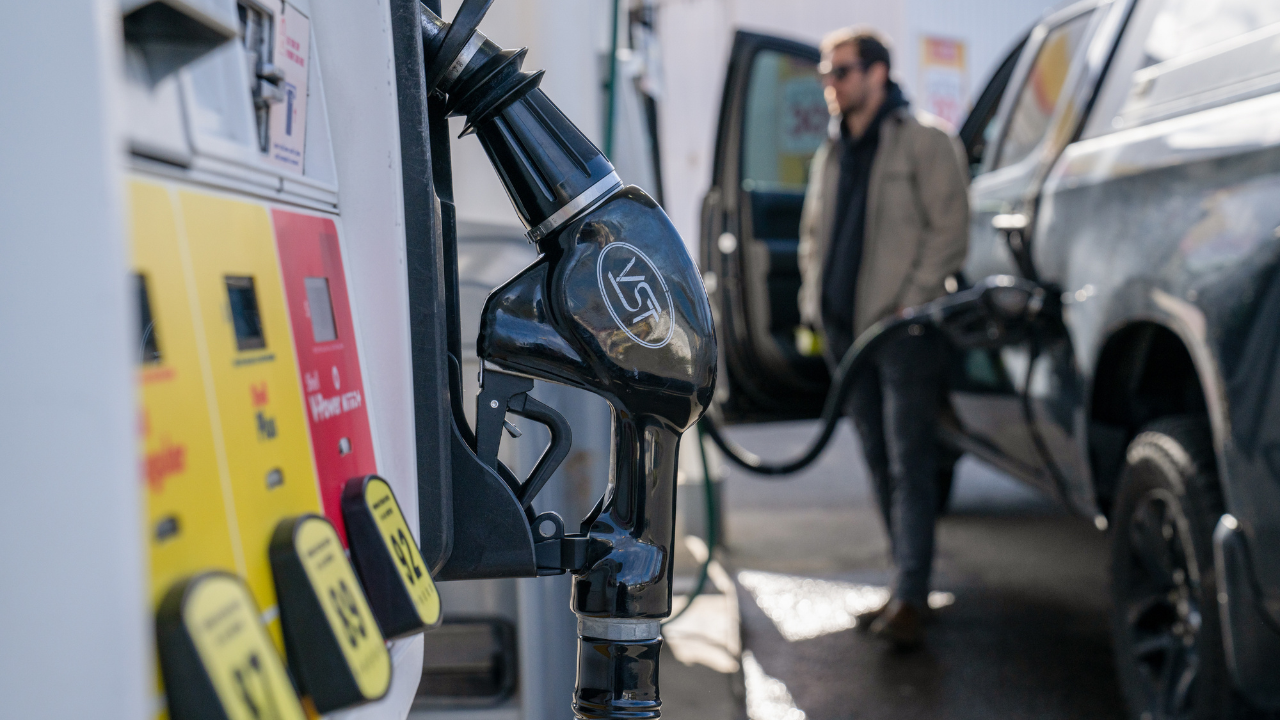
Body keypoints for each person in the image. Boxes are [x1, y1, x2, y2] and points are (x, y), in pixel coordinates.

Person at [797, 27, 969, 649]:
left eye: (841, 71)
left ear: (877, 73)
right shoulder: (832, 151)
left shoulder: (926, 140)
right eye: (826, 73)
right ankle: (904, 588)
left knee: (909, 464)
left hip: (901, 333)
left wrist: (911, 301)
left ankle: (912, 596)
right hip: (846, 334)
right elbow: (813, 235)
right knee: (876, 460)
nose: (831, 84)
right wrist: (813, 306)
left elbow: (951, 230)